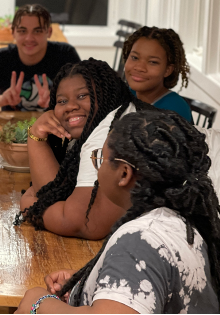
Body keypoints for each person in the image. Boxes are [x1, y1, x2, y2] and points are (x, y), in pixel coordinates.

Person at [16, 111, 220, 314]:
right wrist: (92, 282)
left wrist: (39, 303)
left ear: (124, 174)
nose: (97, 166)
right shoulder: (192, 224)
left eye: (101, 158)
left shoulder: (142, 239)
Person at [18, 59, 151, 240]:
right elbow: (53, 195)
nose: (71, 106)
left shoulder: (107, 134)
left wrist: (28, 204)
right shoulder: (117, 118)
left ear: (106, 94)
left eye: (82, 96)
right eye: (62, 101)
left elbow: (84, 224)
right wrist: (37, 136)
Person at [0, 4, 80, 112]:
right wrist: (2, 99)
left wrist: (59, 102)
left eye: (37, 31)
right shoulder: (0, 58)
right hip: (11, 130)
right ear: (13, 32)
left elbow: (87, 99)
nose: (29, 38)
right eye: (22, 31)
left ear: (48, 32)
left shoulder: (65, 55)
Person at [123, 26, 193, 122]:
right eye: (135, 57)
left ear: (167, 70)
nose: (139, 67)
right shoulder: (127, 95)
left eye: (153, 62)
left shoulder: (174, 110)